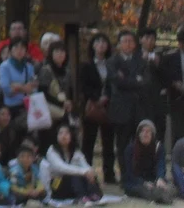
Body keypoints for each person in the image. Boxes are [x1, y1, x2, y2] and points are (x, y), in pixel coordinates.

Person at [79, 32, 114, 184]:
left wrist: (107, 97)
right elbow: (83, 86)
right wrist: (96, 97)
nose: (101, 45)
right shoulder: (86, 65)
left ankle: (110, 174)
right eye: (98, 42)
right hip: (92, 107)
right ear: (93, 45)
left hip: (109, 107)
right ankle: (87, 174)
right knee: (89, 142)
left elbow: (115, 84)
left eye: (104, 42)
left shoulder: (112, 64)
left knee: (109, 142)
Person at [108, 30, 147, 161]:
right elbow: (118, 83)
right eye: (125, 41)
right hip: (121, 109)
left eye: (131, 41)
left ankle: (137, 174)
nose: (128, 44)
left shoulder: (140, 60)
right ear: (119, 44)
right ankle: (125, 175)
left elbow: (144, 81)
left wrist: (129, 80)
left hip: (138, 108)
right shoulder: (113, 61)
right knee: (122, 143)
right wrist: (135, 80)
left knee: (138, 142)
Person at [45, 123, 100, 202]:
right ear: (56, 136)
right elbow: (61, 168)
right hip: (57, 184)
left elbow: (84, 164)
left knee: (89, 173)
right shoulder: (52, 150)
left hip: (73, 184)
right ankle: (82, 196)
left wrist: (89, 171)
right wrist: (83, 172)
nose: (64, 136)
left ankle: (93, 194)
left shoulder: (76, 150)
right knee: (75, 175)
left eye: (67, 133)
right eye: (61, 133)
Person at [123, 119, 173, 204]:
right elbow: (129, 173)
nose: (145, 134)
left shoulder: (158, 147)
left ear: (152, 135)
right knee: (141, 190)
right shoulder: (131, 149)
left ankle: (161, 194)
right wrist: (144, 183)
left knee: (169, 186)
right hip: (136, 182)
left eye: (148, 132)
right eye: (142, 131)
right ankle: (160, 196)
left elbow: (161, 165)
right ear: (138, 134)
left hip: (153, 180)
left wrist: (160, 178)